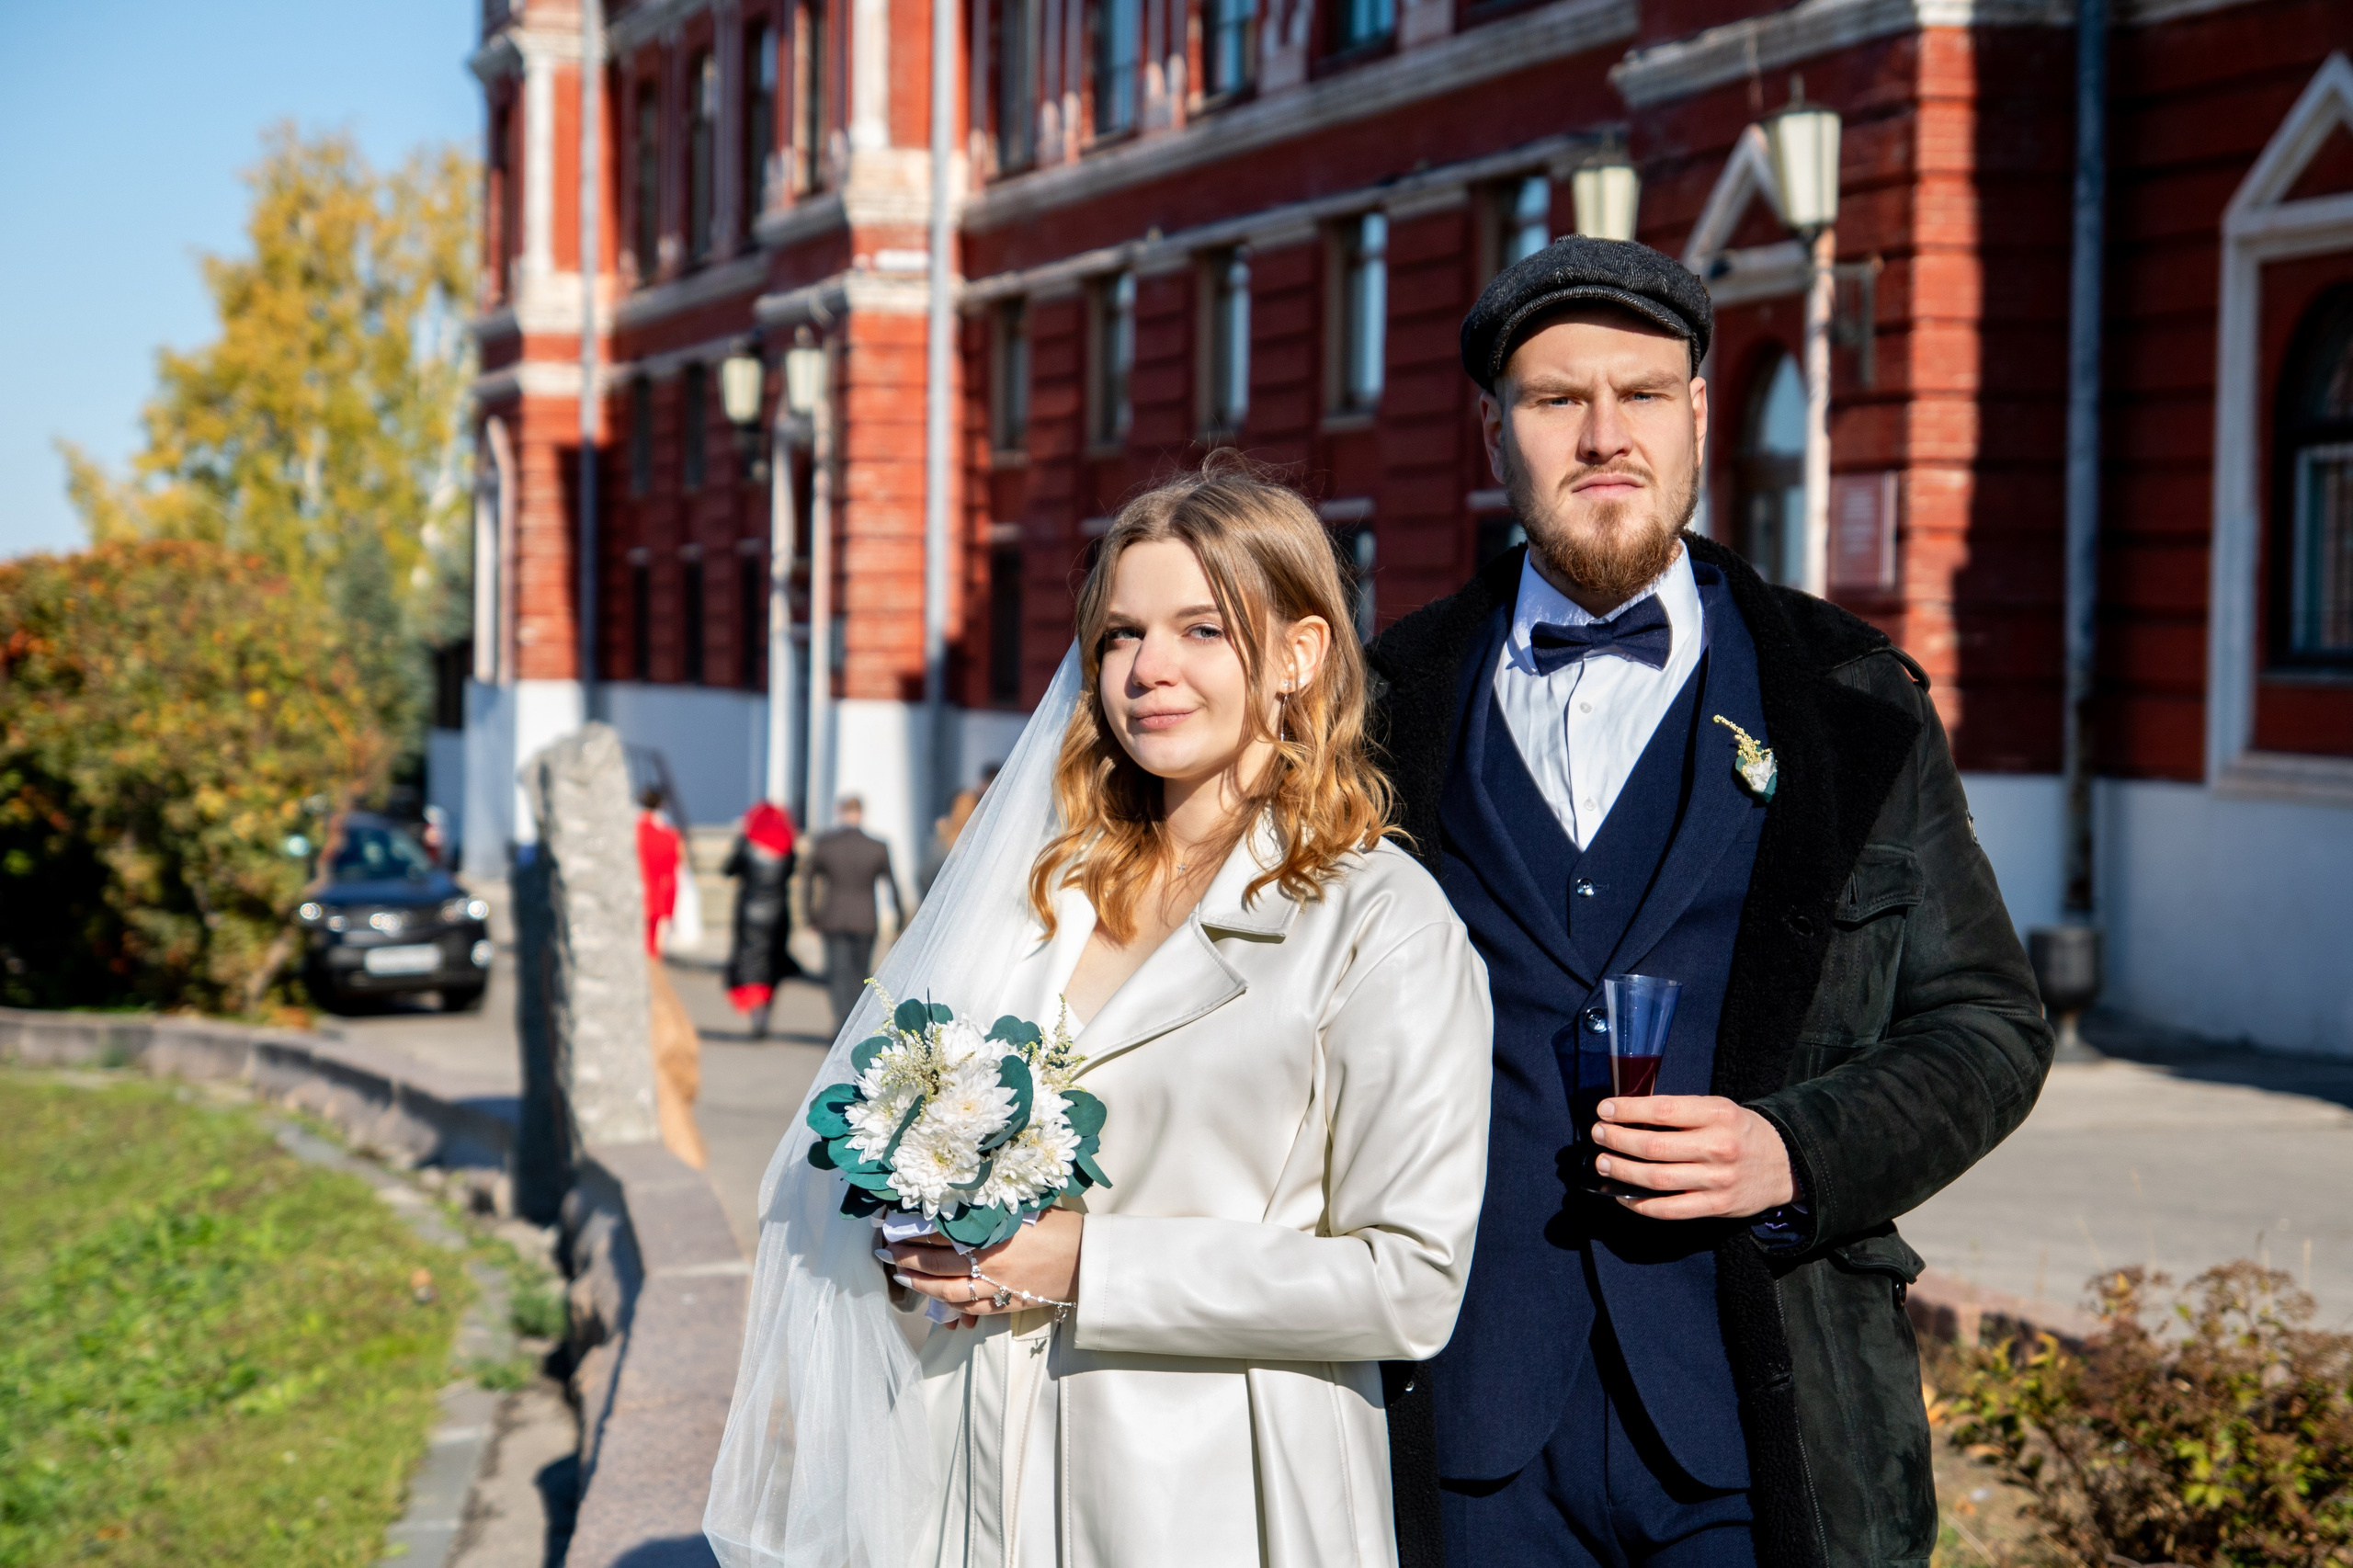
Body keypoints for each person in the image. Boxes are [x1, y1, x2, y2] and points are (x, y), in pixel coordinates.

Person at [1364, 236, 2054, 1568]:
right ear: (1495, 429)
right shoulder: (1383, 706)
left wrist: (1795, 1150)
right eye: (1559, 398)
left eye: (1641, 393)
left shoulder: (1853, 699)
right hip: (1465, 1423)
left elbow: (1988, 1025)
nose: (1602, 434)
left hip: (1760, 1409)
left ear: (1697, 413)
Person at [706, 461, 1495, 1568]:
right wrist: (912, 1230)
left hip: (1219, 1491)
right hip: (968, 1468)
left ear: (1300, 656)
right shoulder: (1045, 889)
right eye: (1121, 634)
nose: (1148, 670)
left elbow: (1408, 1282)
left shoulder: (1381, 923)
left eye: (1201, 629)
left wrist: (1085, 1263)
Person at [803, 795, 907, 1031]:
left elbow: (808, 881)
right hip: (865, 919)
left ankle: (841, 1021)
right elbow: (892, 883)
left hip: (833, 916)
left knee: (837, 973)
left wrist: (811, 915)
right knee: (860, 973)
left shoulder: (825, 844)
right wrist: (899, 917)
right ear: (862, 813)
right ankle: (853, 1023)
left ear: (839, 812)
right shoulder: (877, 846)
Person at [722, 800, 800, 1040]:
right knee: (772, 964)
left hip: (749, 913)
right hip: (778, 913)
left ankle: (755, 1012)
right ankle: (765, 1012)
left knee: (748, 962)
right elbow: (790, 872)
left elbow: (727, 869)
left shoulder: (747, 844)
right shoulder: (787, 847)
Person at [633, 786, 683, 957]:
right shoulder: (665, 832)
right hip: (656, 886)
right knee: (652, 937)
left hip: (643, 884)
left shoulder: (638, 827)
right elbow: (672, 859)